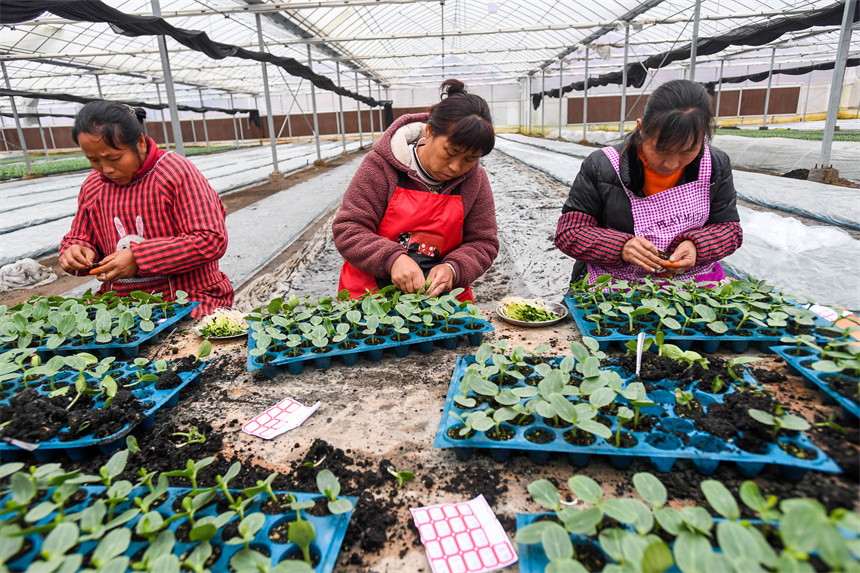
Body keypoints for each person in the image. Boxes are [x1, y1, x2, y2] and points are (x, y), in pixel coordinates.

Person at [555, 79, 743, 285]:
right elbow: (570, 232)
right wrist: (621, 247)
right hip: (615, 286)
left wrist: (697, 246)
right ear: (642, 128)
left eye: (687, 151)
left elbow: (730, 229)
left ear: (704, 136)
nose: (671, 164)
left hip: (694, 283)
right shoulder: (602, 167)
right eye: (661, 150)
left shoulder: (715, 164)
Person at [59, 100, 233, 317]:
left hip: (190, 299)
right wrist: (75, 252)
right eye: (94, 160)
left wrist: (139, 258)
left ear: (140, 143)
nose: (107, 169)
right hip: (121, 306)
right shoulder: (94, 186)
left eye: (115, 158)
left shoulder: (174, 173)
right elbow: (81, 238)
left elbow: (210, 239)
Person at [333, 79, 499, 302]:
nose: (456, 167)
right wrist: (392, 259)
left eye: (470, 159)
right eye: (450, 152)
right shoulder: (382, 167)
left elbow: (483, 242)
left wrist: (453, 268)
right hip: (371, 297)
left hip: (441, 299)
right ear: (429, 131)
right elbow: (349, 228)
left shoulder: (475, 181)